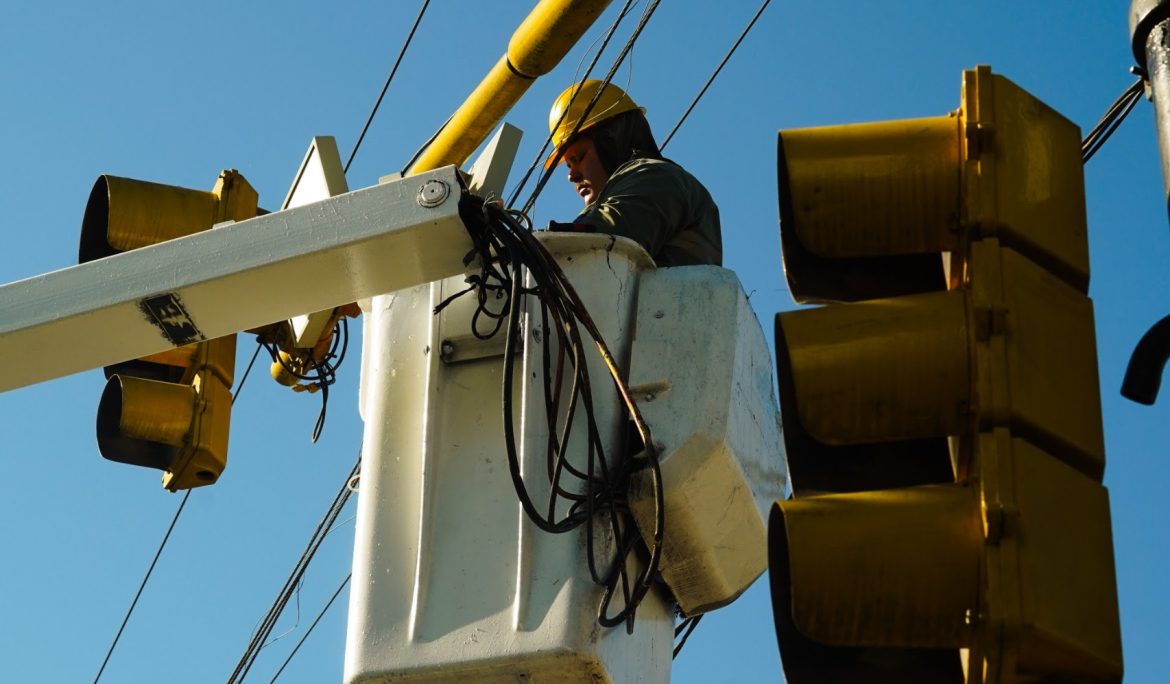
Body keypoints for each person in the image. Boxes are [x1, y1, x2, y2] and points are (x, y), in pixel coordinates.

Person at [545, 80, 723, 267]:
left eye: (578, 158)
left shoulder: (656, 178)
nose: (572, 176)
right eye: (568, 166)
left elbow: (600, 239)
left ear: (611, 141)